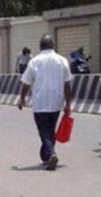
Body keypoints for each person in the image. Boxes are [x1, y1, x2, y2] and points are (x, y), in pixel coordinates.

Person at [18, 34, 72, 171]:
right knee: (50, 130)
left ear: (40, 46)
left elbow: (26, 83)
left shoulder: (35, 61)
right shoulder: (62, 60)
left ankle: (52, 154)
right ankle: (46, 155)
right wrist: (68, 104)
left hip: (40, 102)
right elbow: (67, 85)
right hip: (56, 102)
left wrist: (22, 99)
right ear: (53, 45)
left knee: (44, 131)